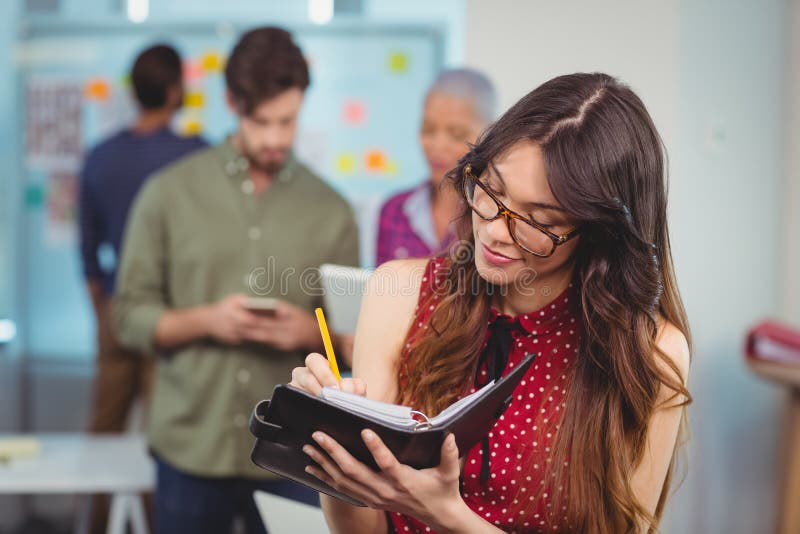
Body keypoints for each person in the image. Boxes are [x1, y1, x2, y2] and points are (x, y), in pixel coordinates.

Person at [289, 73, 692, 533]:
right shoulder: (397, 294)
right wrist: (329, 445)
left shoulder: (652, 353)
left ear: (600, 236)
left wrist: (447, 515)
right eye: (492, 191)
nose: (497, 231)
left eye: (539, 221)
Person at [113, 27, 359, 534]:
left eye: (287, 121)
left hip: (295, 453)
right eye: (261, 121)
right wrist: (207, 320)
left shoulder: (332, 211)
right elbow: (127, 316)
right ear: (231, 103)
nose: (275, 139)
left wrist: (308, 334)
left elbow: (356, 344)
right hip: (189, 449)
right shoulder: (168, 193)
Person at [78, 43, 206, 534]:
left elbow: (88, 251)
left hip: (117, 307)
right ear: (176, 90)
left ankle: (93, 524)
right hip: (175, 317)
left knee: (102, 430)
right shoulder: (195, 155)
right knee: (168, 435)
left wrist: (105, 310)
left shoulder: (100, 156)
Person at [375, 68, 496, 265]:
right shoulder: (394, 211)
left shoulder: (494, 217)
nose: (437, 147)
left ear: (488, 135)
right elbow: (378, 288)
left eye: (456, 134)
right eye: (428, 130)